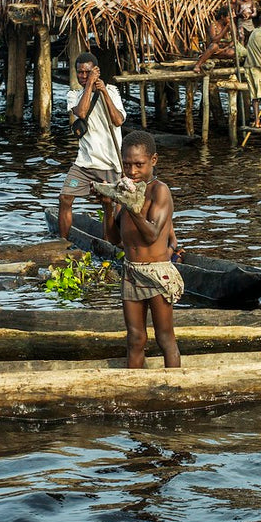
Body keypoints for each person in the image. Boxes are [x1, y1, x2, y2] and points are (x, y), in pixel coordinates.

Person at [102, 130, 182, 368]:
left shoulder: (159, 191)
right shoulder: (126, 191)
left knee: (164, 337)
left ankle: (175, 389)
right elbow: (113, 238)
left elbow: (151, 235)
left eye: (139, 164)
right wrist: (109, 207)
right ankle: (134, 393)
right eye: (127, 165)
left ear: (153, 161)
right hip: (131, 271)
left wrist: (131, 207)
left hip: (157, 272)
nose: (133, 172)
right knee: (135, 338)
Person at [57, 51, 125, 240]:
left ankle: (112, 244)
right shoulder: (74, 95)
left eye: (87, 73)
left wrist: (103, 91)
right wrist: (89, 86)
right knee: (65, 197)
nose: (83, 76)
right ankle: (63, 243)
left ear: (96, 71)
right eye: (80, 73)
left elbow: (118, 120)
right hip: (84, 165)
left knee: (110, 206)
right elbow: (82, 112)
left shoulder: (111, 91)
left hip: (111, 165)